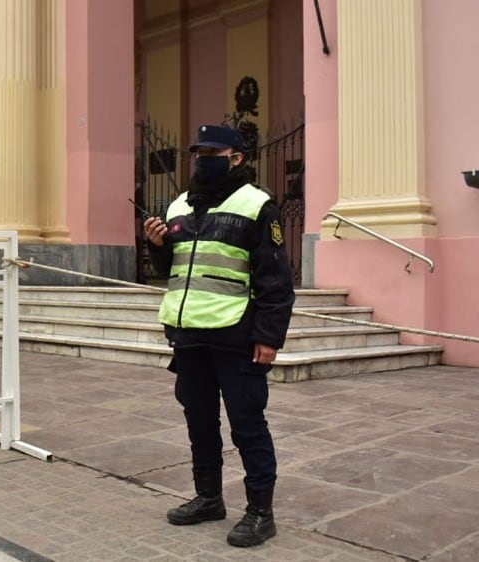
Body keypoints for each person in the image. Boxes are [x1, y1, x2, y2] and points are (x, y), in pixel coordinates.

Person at [144, 125, 295, 548]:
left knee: (248, 425)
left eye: (213, 151)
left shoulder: (256, 204)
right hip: (189, 334)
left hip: (236, 335)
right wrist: (157, 245)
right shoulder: (177, 206)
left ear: (237, 157)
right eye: (198, 151)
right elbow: (171, 268)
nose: (202, 158)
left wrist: (269, 337)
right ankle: (209, 498)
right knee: (200, 423)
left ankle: (261, 513)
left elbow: (276, 279)